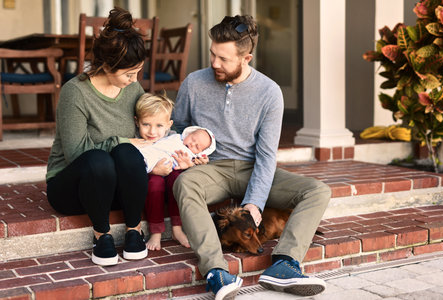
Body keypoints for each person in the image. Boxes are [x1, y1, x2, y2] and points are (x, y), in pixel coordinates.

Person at [173, 15, 331, 299]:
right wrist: (187, 152)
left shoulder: (269, 92)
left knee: (317, 191)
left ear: (247, 57)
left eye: (223, 58)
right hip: (213, 168)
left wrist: (255, 202)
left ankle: (284, 264)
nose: (214, 63)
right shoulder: (194, 83)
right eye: (212, 54)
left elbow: (267, 155)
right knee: (185, 184)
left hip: (253, 168)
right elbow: (177, 127)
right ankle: (216, 272)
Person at [46, 7, 150, 267]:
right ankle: (101, 236)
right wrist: (121, 141)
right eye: (128, 73)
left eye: (137, 72)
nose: (134, 80)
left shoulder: (133, 87)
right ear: (106, 65)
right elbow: (77, 154)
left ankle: (134, 231)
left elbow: (146, 134)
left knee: (127, 154)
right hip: (73, 187)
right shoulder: (75, 92)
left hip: (113, 187)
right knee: (100, 159)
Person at [133, 93, 216, 251]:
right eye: (146, 124)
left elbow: (192, 157)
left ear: (169, 124)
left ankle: (177, 229)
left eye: (159, 126)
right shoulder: (137, 140)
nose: (152, 131)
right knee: (154, 183)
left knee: (178, 179)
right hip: (151, 177)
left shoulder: (175, 139)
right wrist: (154, 169)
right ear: (137, 122)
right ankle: (156, 232)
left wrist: (189, 165)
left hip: (171, 177)